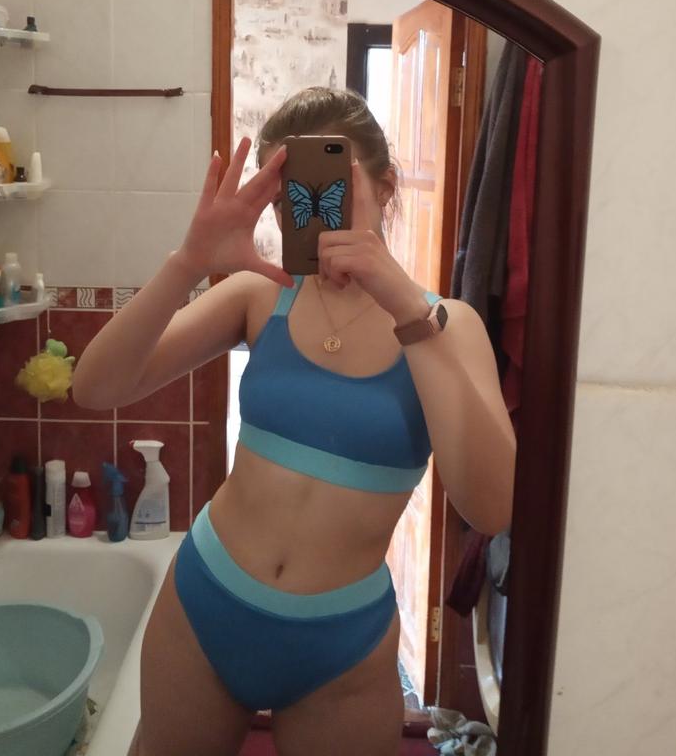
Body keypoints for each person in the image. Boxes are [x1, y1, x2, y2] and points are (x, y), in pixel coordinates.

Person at [73, 87, 517, 756]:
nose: (307, 212)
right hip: (205, 606)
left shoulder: (446, 325)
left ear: (385, 188)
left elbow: (491, 506)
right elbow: (95, 387)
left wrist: (404, 304)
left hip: (342, 645)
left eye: (331, 187)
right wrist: (188, 261)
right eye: (288, 199)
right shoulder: (261, 296)